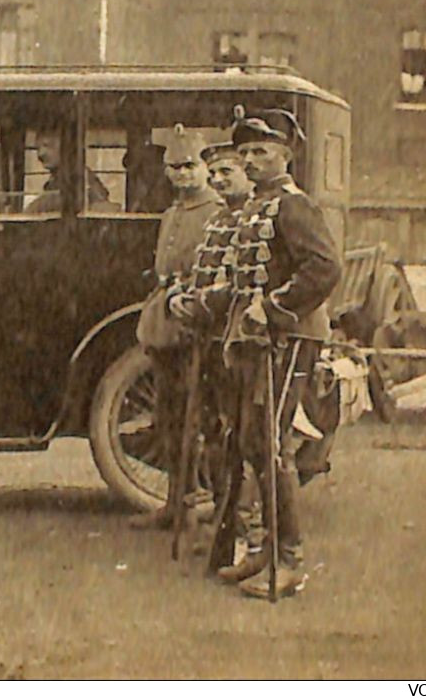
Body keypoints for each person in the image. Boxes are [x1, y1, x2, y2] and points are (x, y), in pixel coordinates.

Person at [218, 107, 342, 599]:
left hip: (289, 336)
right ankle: (266, 549)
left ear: (286, 155)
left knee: (271, 442)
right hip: (260, 339)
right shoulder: (256, 205)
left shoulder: (294, 206)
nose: (249, 159)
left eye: (260, 151)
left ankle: (290, 560)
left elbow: (325, 268)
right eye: (244, 151)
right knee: (252, 441)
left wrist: (274, 306)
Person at [167, 139, 257, 555]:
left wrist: (199, 304)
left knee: (245, 438)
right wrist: (181, 298)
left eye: (228, 172)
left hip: (237, 343)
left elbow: (240, 286)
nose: (219, 180)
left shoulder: (253, 219)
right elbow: (202, 275)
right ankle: (225, 525)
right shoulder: (220, 219)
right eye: (216, 172)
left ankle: (246, 533)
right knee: (216, 435)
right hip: (209, 340)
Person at [130, 125, 222, 530]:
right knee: (168, 417)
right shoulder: (171, 213)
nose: (182, 175)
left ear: (206, 168)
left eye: (190, 166)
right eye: (174, 167)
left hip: (197, 323)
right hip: (167, 322)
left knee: (201, 421)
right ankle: (175, 503)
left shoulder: (217, 212)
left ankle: (218, 509)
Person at [26, 130, 114, 213]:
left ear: (67, 148)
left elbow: (101, 208)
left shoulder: (82, 178)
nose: (40, 154)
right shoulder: (53, 183)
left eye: (48, 146)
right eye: (37, 148)